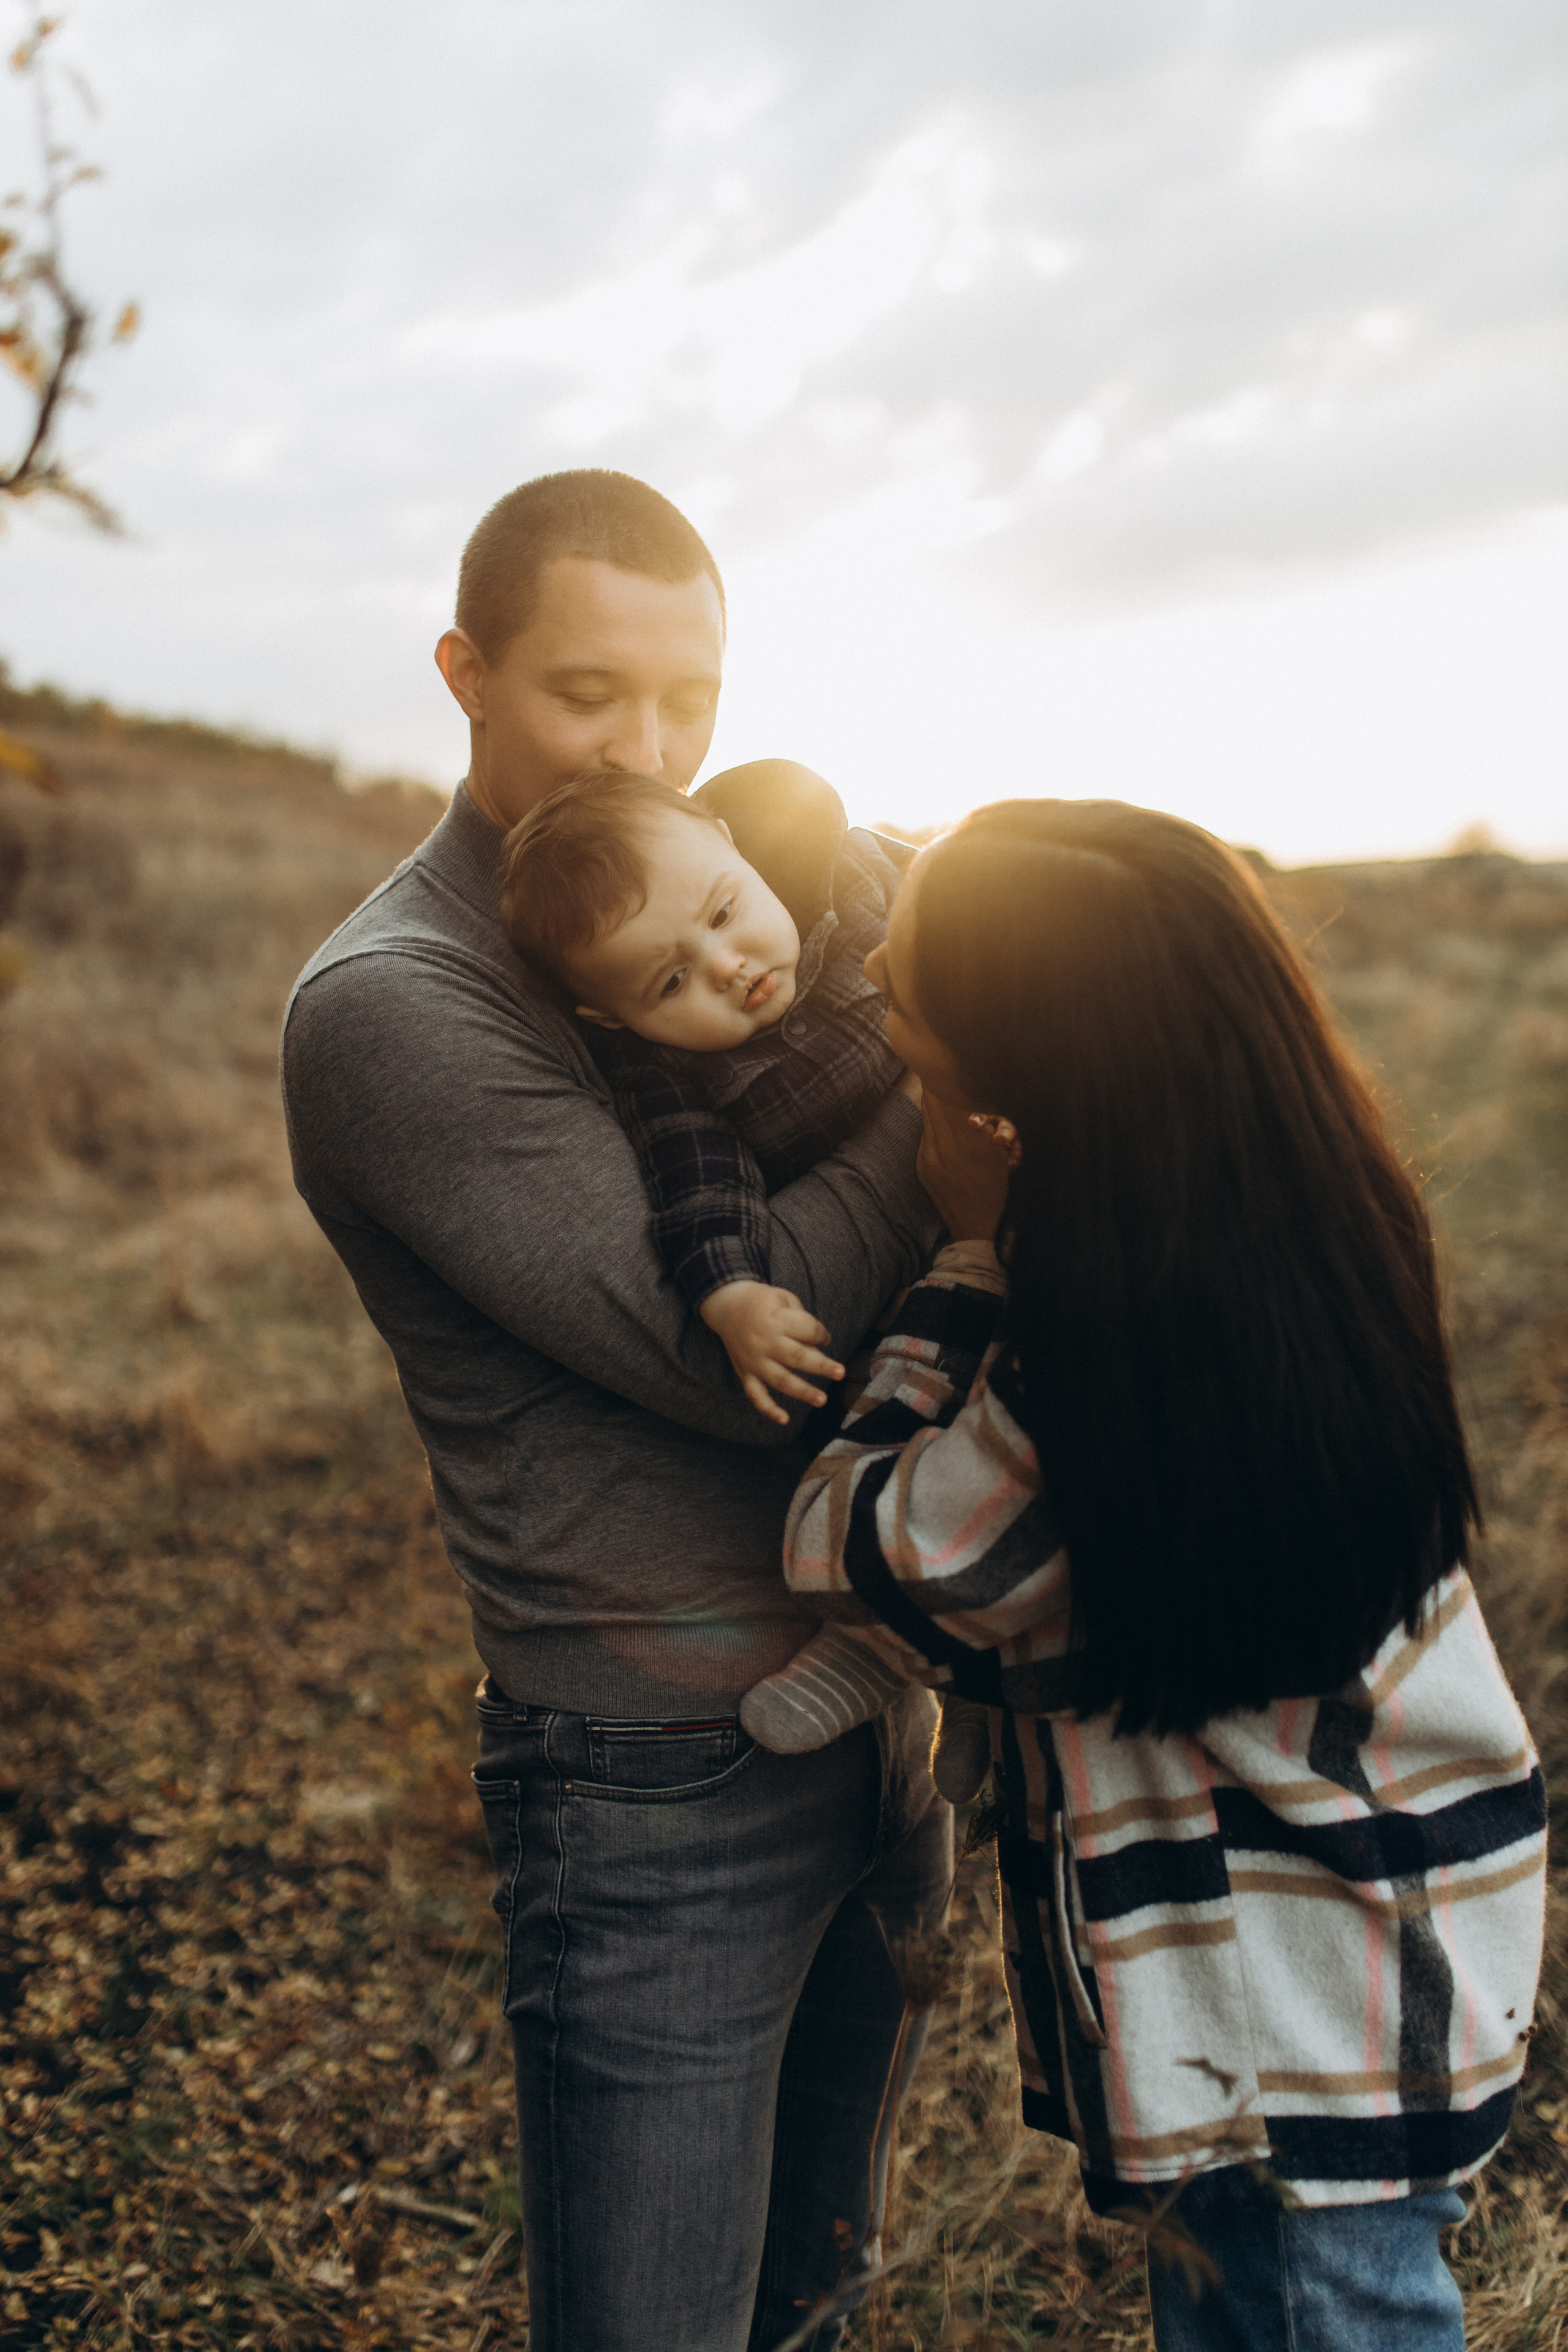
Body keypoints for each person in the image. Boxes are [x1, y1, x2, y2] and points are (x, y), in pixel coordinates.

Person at [280, 469, 952, 2352]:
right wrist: (942, 1046)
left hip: (880, 1702)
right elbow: (774, 1345)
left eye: (694, 703)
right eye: (591, 696)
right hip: (658, 1791)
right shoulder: (398, 1006)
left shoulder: (746, 886)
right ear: (464, 673)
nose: (651, 754)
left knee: (819, 2303)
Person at [772, 797, 1547, 2350]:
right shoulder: (1278, 1253)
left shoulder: (1094, 1367)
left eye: (905, 988)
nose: (873, 987)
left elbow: (851, 1541)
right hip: (1360, 1971)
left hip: (1285, 2035)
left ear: (1031, 1061)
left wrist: (968, 1260)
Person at [497, 761, 992, 1784]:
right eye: (670, 981)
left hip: (1017, 1191)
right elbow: (699, 1183)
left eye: (724, 911)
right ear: (612, 1021)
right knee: (877, 1424)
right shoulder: (671, 1074)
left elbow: (983, 919)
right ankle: (897, 1642)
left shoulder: (859, 889)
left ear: (733, 843)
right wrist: (730, 1295)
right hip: (895, 1289)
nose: (729, 965)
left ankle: (1002, 1648)